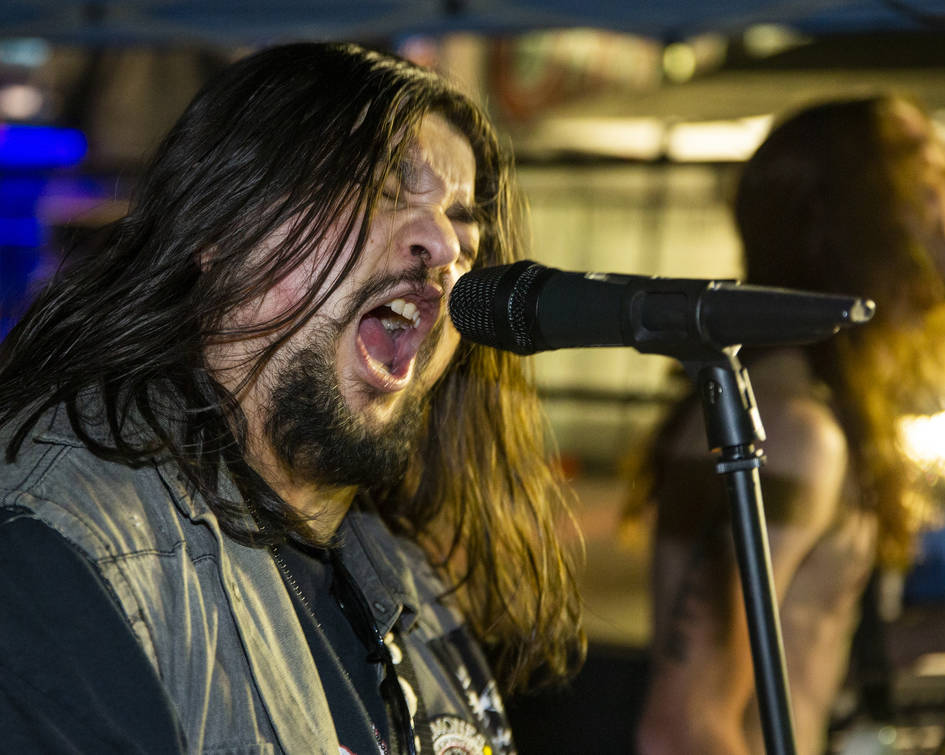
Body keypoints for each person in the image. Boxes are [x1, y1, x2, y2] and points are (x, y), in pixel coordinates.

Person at [0, 42, 583, 755]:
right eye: (381, 191)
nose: (444, 246)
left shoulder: (408, 583)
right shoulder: (58, 558)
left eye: (464, 226)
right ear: (222, 227)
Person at [631, 95, 945, 755]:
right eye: (930, 170)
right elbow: (680, 729)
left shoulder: (815, 412)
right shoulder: (788, 430)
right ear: (852, 213)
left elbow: (800, 645)